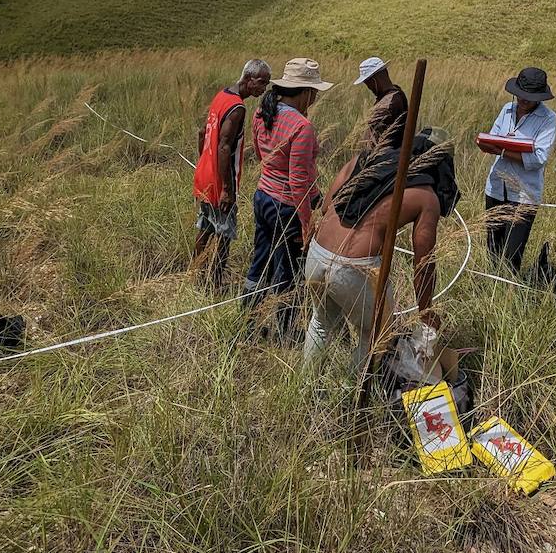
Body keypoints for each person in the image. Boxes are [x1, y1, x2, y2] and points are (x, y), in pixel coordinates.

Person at [303, 128, 461, 373]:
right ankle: (351, 399)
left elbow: (326, 208)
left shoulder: (363, 160)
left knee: (321, 323)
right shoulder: (427, 197)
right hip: (353, 269)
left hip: (316, 254)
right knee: (377, 335)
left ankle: (305, 390)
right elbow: (424, 263)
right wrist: (426, 313)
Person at [243, 57, 332, 339]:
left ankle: (249, 321)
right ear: (305, 92)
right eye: (314, 91)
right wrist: (306, 224)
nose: (315, 97)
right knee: (289, 269)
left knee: (261, 260)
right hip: (288, 207)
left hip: (263, 196)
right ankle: (286, 331)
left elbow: (261, 156)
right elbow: (298, 180)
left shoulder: (261, 113)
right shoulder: (301, 126)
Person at [192, 58, 271, 288]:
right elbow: (224, 147)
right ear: (248, 78)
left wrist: (203, 162)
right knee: (223, 235)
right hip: (220, 182)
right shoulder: (237, 108)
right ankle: (214, 284)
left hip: (206, 174)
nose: (264, 88)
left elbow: (202, 133)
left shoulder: (222, 96)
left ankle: (196, 274)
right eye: (261, 82)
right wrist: (227, 188)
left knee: (205, 227)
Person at [479, 67, 556, 279]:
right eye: (521, 95)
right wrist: (491, 145)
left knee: (512, 254)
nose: (523, 100)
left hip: (524, 194)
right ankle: (491, 292)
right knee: (493, 249)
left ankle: (508, 293)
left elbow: (539, 158)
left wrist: (504, 150)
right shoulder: (506, 109)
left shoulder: (548, 118)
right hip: (496, 187)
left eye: (529, 97)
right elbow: (494, 135)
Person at [353, 57, 408, 153]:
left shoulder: (388, 103)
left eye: (368, 83)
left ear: (374, 80)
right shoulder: (396, 93)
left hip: (384, 156)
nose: (369, 87)